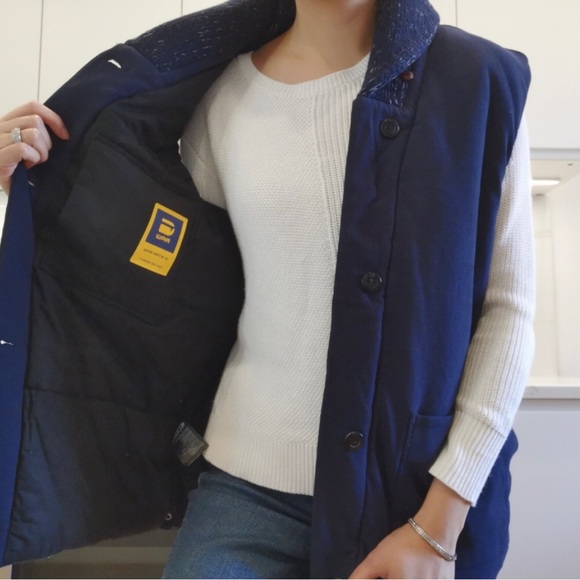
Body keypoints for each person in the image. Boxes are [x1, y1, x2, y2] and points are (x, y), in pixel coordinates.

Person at [0, 0, 534, 578]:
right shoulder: (224, 98)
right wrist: (43, 184)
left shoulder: (476, 81)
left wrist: (438, 525)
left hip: (411, 495)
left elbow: (508, 310)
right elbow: (168, 280)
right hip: (244, 489)